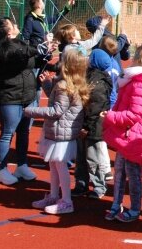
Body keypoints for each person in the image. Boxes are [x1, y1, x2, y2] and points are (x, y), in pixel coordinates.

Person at [0, 17, 54, 185]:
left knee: (24, 132)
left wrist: (46, 54)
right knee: (8, 133)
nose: (17, 26)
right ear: (7, 31)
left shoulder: (20, 43)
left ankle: (21, 165)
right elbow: (16, 54)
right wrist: (38, 47)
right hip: (10, 96)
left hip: (28, 94)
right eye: (13, 25)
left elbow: (32, 61)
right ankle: (1, 170)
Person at [24, 47, 88, 215]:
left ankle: (66, 201)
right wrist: (47, 85)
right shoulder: (72, 83)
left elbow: (56, 111)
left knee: (59, 166)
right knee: (54, 165)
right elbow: (61, 104)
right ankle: (54, 195)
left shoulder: (63, 85)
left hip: (61, 132)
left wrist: (31, 110)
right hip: (61, 131)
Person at [103, 44, 142, 223]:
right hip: (127, 134)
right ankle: (116, 203)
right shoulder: (133, 79)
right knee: (119, 170)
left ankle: (135, 208)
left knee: (133, 173)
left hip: (136, 136)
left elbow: (135, 114)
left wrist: (110, 116)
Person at [71, 49, 113, 200]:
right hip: (88, 123)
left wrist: (87, 127)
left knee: (93, 158)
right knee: (81, 157)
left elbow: (95, 108)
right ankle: (81, 183)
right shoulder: (91, 77)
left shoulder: (97, 82)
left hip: (94, 126)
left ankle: (99, 186)